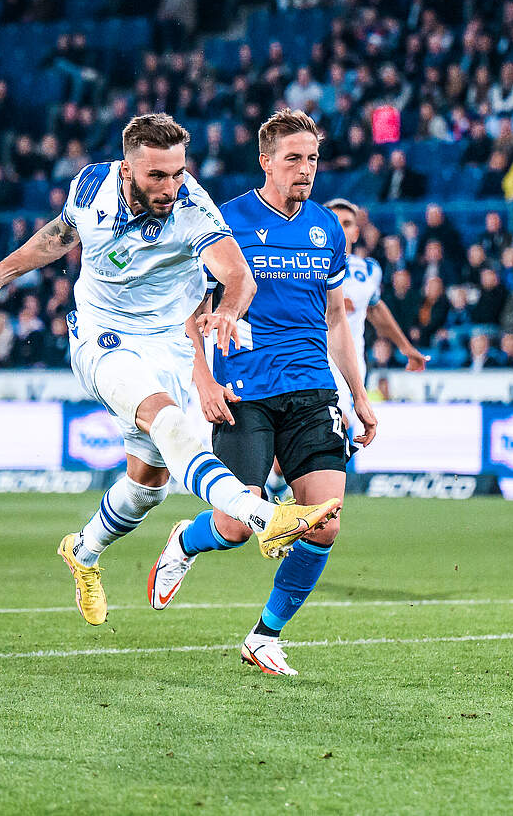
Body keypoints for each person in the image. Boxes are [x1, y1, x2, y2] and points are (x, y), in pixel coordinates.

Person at [0, 113, 333, 628]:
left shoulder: (193, 208)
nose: (170, 186)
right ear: (126, 168)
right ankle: (267, 516)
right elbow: (60, 235)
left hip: (168, 343)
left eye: (178, 172)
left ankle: (82, 551)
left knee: (147, 486)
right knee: (169, 422)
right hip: (102, 336)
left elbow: (239, 276)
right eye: (157, 175)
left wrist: (228, 310)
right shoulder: (91, 185)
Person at [147, 109, 377, 676]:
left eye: (313, 159)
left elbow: (336, 319)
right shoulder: (226, 222)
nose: (306, 169)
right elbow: (190, 313)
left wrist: (359, 393)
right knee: (233, 525)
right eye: (294, 158)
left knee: (324, 522)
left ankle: (265, 636)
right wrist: (203, 380)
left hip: (312, 390)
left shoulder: (327, 228)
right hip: (243, 392)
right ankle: (185, 542)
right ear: (266, 161)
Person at [325, 198, 427, 431]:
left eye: (347, 223)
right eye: (334, 222)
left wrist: (406, 348)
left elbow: (375, 309)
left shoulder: (369, 270)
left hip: (345, 366)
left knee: (336, 427)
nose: (340, 229)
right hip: (306, 358)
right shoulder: (302, 267)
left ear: (356, 232)